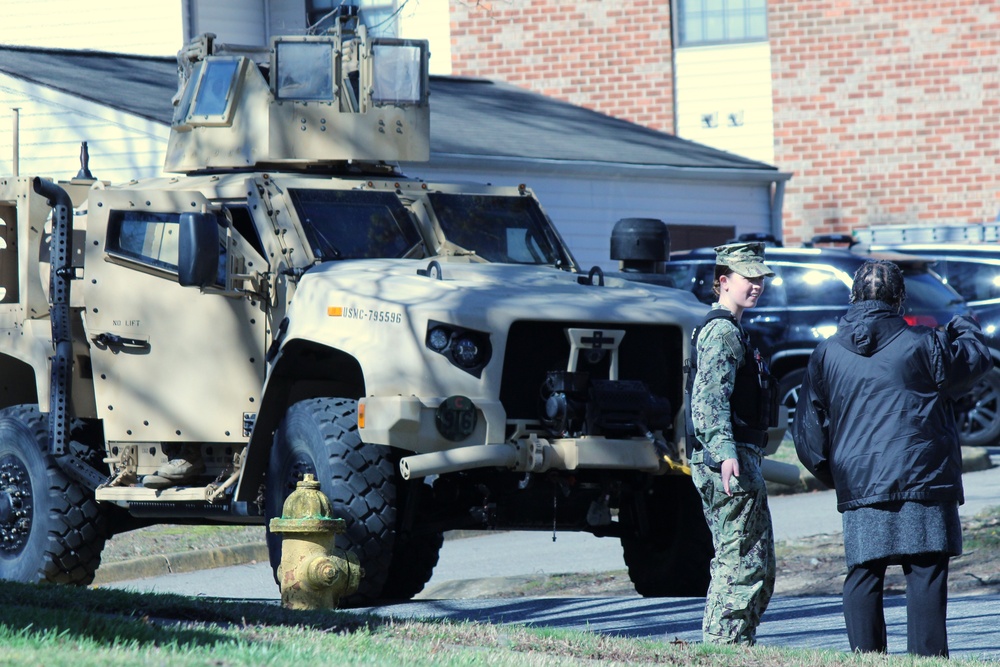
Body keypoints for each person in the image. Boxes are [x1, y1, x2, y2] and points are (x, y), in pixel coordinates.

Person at [793, 259, 991, 657]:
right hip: (923, 477)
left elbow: (809, 433)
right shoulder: (924, 342)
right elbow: (972, 363)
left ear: (853, 296)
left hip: (861, 479)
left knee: (864, 572)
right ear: (900, 299)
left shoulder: (826, 352)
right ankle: (927, 662)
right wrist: (965, 326)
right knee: (926, 571)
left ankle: (866, 661)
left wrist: (841, 476)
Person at [688, 241, 777, 645]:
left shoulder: (733, 329)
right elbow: (708, 400)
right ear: (723, 281)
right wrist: (724, 453)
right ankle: (723, 647)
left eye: (760, 278)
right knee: (739, 561)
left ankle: (737, 645)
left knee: (756, 562)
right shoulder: (722, 332)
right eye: (748, 277)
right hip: (729, 461)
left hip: (741, 457)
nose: (756, 285)